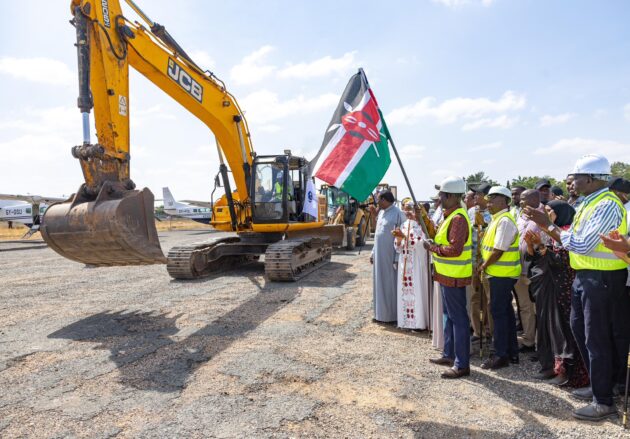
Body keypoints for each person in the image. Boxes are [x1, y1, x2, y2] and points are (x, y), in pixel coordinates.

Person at [525, 154, 628, 421]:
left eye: (576, 177)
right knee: (581, 331)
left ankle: (604, 401)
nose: (571, 181)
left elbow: (581, 244)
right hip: (586, 276)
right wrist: (553, 231)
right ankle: (599, 386)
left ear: (591, 179)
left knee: (597, 339)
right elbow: (575, 241)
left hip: (602, 279)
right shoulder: (588, 204)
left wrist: (550, 227)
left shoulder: (606, 205)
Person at [524, 201, 589, 388]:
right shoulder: (554, 232)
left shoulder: (567, 232)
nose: (547, 213)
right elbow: (538, 257)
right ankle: (550, 367)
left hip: (563, 290)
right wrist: (534, 246)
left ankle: (567, 373)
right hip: (548, 287)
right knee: (548, 328)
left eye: (550, 210)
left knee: (563, 331)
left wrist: (542, 248)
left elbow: (564, 261)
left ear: (560, 213)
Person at [425, 176, 472, 379]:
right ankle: (449, 354)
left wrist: (432, 248)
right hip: (446, 275)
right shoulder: (450, 216)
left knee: (458, 319)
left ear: (452, 196)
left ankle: (462, 364)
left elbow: (454, 249)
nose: (439, 198)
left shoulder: (459, 218)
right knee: (449, 317)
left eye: (442, 195)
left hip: (454, 276)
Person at [479, 186, 521, 370]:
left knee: (499, 314)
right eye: (488, 200)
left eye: (492, 199)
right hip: (499, 274)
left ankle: (500, 354)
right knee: (506, 313)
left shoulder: (504, 220)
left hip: (501, 274)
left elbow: (498, 250)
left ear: (504, 201)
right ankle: (511, 351)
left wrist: (484, 265)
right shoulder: (497, 220)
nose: (488, 203)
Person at [514, 189, 548, 354]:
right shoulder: (520, 215)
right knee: (525, 306)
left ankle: (541, 343)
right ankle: (528, 340)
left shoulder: (545, 214)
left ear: (535, 199)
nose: (520, 202)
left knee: (538, 308)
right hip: (520, 267)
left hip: (537, 268)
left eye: (523, 199)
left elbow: (546, 242)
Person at [393, 201, 430, 330]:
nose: (407, 212)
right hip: (405, 261)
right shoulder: (403, 225)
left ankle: (418, 323)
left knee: (416, 291)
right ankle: (404, 322)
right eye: (405, 209)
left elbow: (423, 243)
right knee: (405, 292)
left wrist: (406, 239)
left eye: (410, 209)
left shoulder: (422, 226)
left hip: (416, 262)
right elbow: (397, 246)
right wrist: (398, 240)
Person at [370, 190, 406, 323]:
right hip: (379, 255)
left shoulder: (398, 214)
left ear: (385, 200)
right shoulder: (381, 213)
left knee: (390, 285)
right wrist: (373, 252)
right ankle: (380, 314)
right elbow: (377, 235)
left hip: (390, 257)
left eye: (379, 199)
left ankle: (391, 316)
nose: (377, 202)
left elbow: (402, 235)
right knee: (378, 284)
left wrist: (397, 257)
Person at [468, 183, 493, 344]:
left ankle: (490, 330)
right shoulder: (471, 212)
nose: (475, 197)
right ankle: (478, 331)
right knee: (474, 298)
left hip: (489, 262)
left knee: (489, 299)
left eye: (478, 194)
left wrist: (483, 225)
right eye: (474, 194)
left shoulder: (493, 213)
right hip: (473, 261)